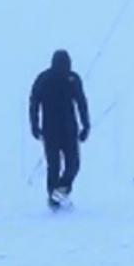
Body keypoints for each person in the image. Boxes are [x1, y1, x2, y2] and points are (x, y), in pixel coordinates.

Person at [29, 49, 91, 210]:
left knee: (73, 165)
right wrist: (34, 125)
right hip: (50, 130)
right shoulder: (44, 79)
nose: (64, 68)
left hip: (69, 129)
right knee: (54, 165)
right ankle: (53, 199)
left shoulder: (73, 79)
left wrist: (86, 125)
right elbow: (34, 103)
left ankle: (59, 192)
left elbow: (81, 102)